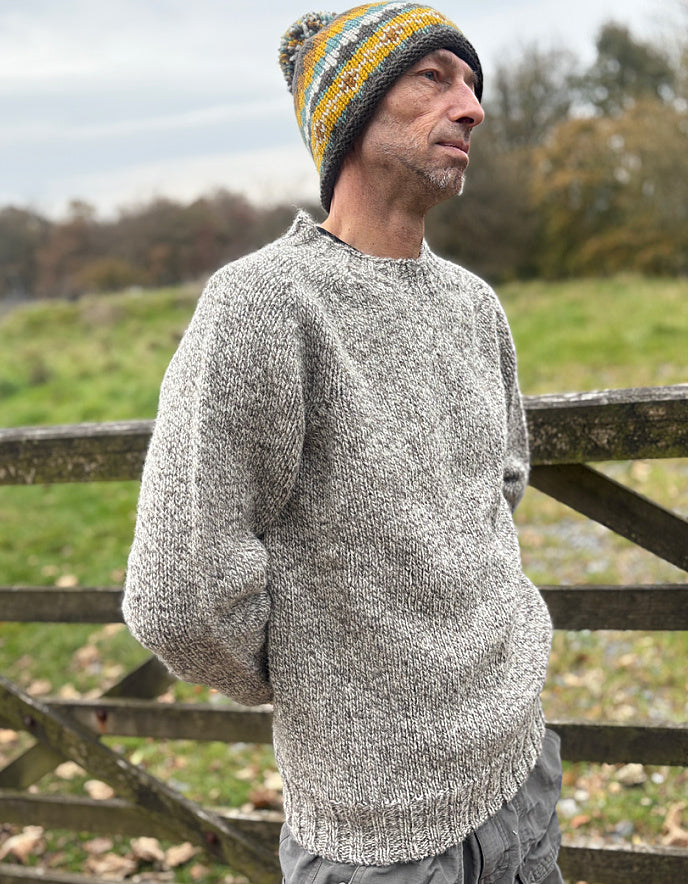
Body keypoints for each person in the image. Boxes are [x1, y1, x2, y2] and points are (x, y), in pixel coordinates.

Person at [123, 3, 564, 881]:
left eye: (473, 85)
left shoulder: (475, 305)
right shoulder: (265, 304)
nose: (471, 107)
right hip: (377, 831)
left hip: (521, 767)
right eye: (434, 78)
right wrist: (321, 683)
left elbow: (497, 489)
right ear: (353, 113)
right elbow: (177, 593)